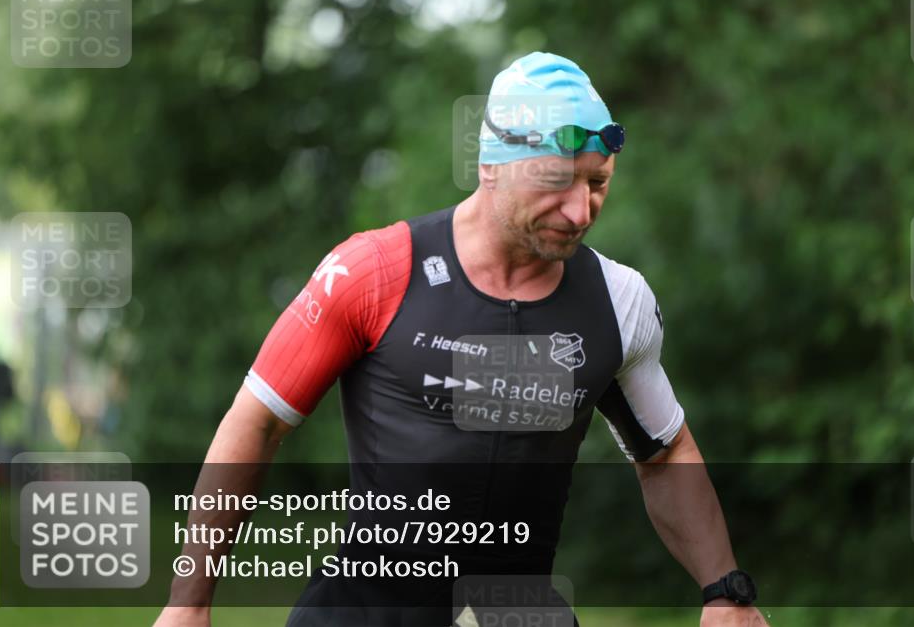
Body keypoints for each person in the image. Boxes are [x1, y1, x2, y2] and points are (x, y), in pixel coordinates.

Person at [154, 52, 769, 627]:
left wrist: (725, 591)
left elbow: (664, 454)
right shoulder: (373, 271)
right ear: (490, 165)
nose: (580, 210)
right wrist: (188, 605)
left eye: (598, 183)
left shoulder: (618, 299)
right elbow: (256, 423)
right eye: (557, 181)